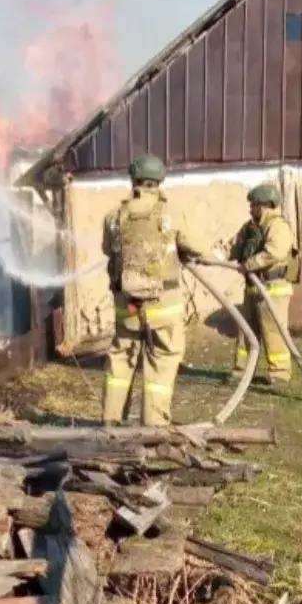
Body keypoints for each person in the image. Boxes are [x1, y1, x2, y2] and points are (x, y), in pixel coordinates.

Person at [101, 154, 203, 426]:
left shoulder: (114, 217)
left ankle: (111, 422)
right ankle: (154, 426)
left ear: (133, 178)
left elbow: (107, 250)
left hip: (127, 305)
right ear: (159, 180)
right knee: (162, 360)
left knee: (120, 360)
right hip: (164, 305)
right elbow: (195, 246)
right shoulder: (171, 214)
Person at [230, 183, 298, 384]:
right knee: (245, 331)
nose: (250, 209)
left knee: (273, 331)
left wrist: (249, 264)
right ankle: (242, 371)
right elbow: (233, 246)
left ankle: (279, 372)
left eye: (253, 205)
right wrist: (208, 255)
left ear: (263, 205)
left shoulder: (277, 226)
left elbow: (275, 252)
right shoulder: (250, 227)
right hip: (252, 288)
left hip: (273, 287)